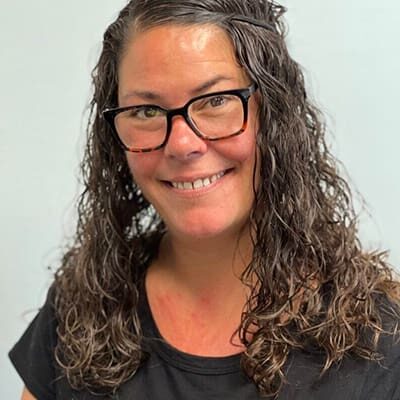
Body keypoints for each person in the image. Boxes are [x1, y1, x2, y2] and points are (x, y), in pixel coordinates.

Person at [9, 1, 400, 399]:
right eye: (146, 110)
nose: (182, 144)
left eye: (215, 101)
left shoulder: (380, 334)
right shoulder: (81, 306)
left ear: (274, 112)